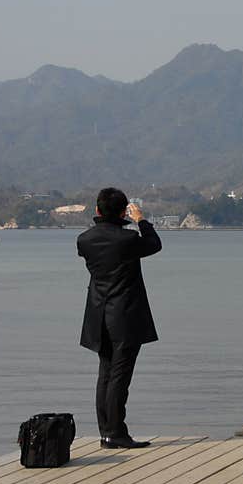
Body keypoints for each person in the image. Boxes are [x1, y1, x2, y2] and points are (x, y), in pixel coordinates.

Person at [77, 187, 161, 448]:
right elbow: (154, 244)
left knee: (105, 373)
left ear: (97, 211)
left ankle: (106, 432)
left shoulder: (84, 240)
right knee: (120, 375)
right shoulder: (127, 240)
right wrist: (141, 220)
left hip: (97, 314)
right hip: (124, 315)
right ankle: (116, 432)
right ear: (124, 210)